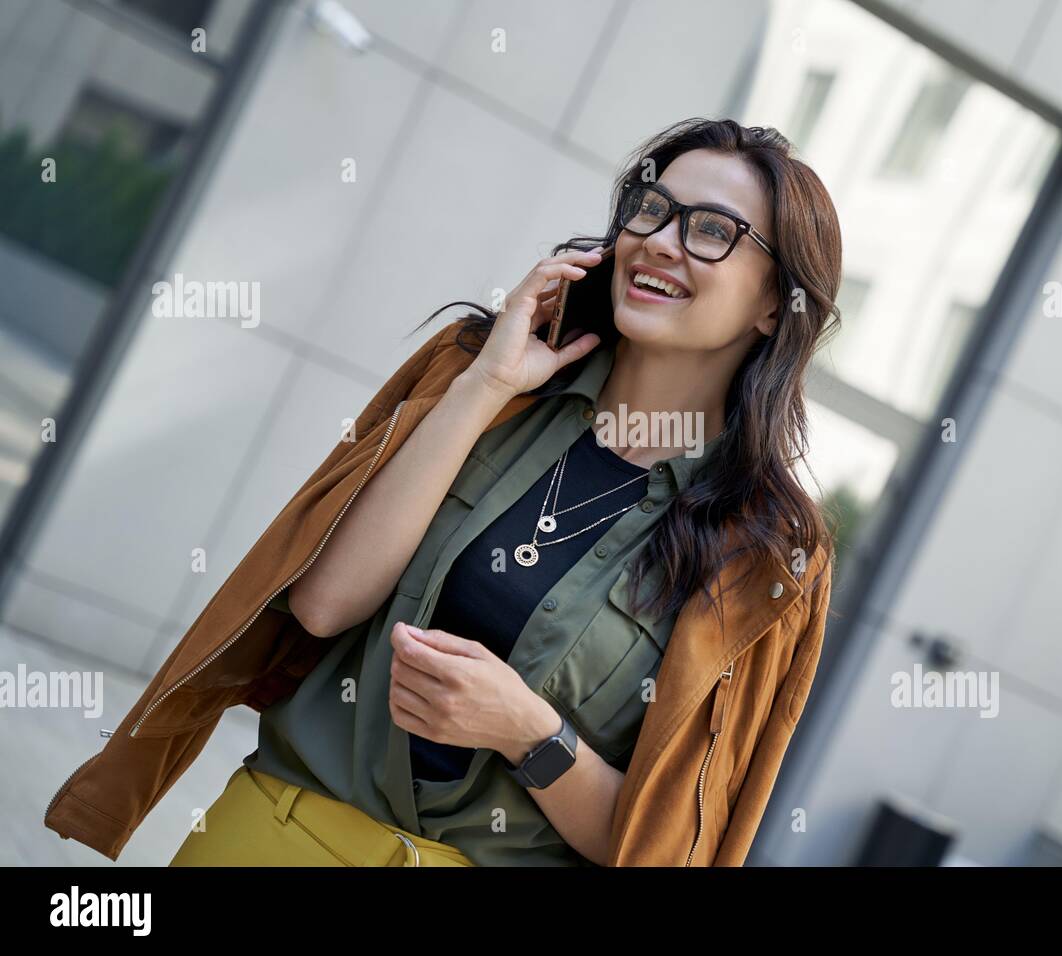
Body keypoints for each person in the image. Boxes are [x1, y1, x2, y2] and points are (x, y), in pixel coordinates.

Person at [167, 117, 842, 867]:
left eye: (713, 230)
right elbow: (324, 604)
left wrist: (532, 735)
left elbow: (667, 849)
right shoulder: (483, 374)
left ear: (776, 304)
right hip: (278, 839)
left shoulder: (769, 553)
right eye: (652, 209)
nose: (659, 240)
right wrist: (484, 386)